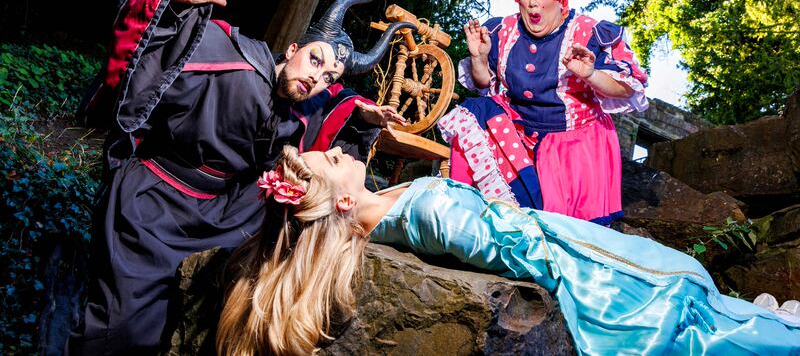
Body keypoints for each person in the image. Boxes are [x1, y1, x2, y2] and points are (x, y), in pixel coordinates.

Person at [65, 0, 414, 355]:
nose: (318, 79)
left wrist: (361, 113)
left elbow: (332, 110)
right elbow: (152, 53)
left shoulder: (300, 104)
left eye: (330, 76)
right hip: (155, 201)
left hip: (220, 211)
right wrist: (176, 7)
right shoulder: (229, 56)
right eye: (316, 60)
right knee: (124, 328)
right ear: (294, 49)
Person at [217, 145, 800, 356]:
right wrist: (619, 266)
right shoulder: (426, 213)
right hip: (569, 251)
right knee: (708, 313)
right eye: (331, 163)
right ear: (340, 205)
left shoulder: (385, 212)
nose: (340, 152)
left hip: (544, 229)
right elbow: (517, 245)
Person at [437, 0, 649, 224]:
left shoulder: (588, 32)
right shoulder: (503, 30)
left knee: (556, 236)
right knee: (478, 111)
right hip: (515, 141)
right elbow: (486, 85)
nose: (533, 2)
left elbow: (627, 88)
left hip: (572, 150)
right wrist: (479, 57)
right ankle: (465, 222)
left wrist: (590, 74)